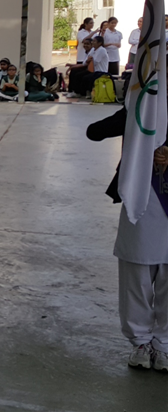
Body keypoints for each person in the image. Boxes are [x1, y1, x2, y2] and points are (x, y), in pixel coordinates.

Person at [86, 110, 168, 372]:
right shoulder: (144, 104)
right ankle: (141, 341)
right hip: (142, 200)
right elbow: (95, 131)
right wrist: (137, 125)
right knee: (137, 272)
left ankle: (164, 344)